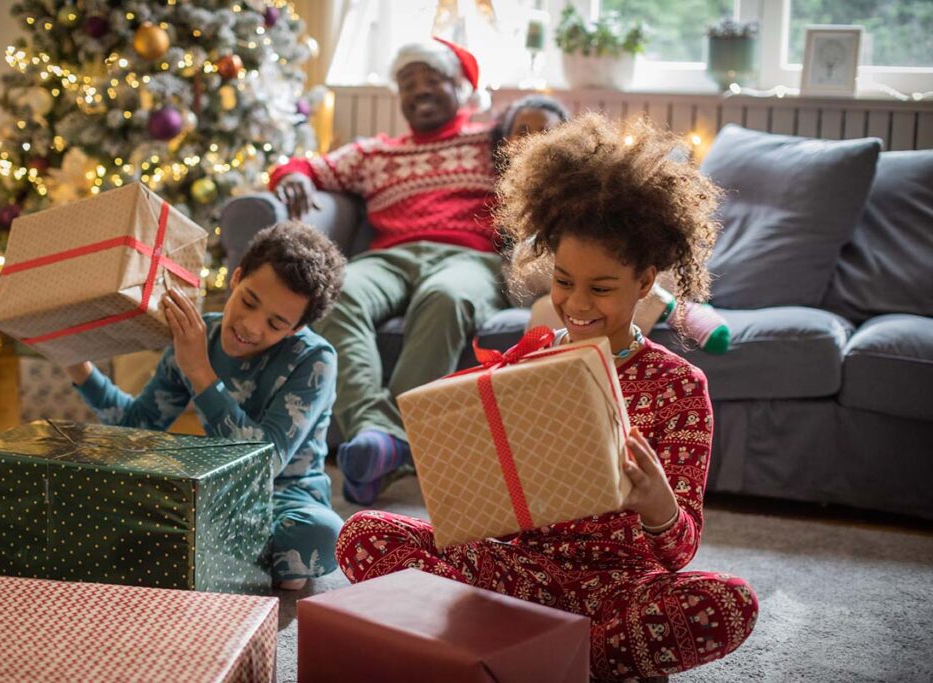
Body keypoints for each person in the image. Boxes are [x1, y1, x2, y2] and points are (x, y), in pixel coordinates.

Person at [335, 114, 758, 681]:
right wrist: (459, 482)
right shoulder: (526, 361)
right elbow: (478, 510)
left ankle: (529, 653)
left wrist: (658, 506)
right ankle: (544, 654)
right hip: (509, 577)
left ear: (645, 280)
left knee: (729, 601)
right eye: (563, 281)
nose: (576, 303)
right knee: (363, 533)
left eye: (601, 287)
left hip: (615, 590)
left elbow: (677, 555)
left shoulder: (679, 387)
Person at [269, 37, 506, 506]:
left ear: (461, 87)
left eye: (431, 80)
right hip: (390, 257)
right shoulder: (373, 152)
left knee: (445, 297)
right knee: (337, 292)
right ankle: (380, 433)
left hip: (467, 257)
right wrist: (290, 176)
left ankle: (383, 444)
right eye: (407, 84)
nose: (418, 91)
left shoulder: (490, 142)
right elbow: (304, 166)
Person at [66, 220, 347, 591]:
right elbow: (139, 425)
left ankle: (200, 552)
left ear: (294, 329)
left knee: (323, 535)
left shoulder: (314, 360)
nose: (250, 326)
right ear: (236, 277)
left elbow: (266, 462)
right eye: (248, 301)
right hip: (213, 498)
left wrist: (199, 371)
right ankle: (230, 557)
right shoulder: (197, 336)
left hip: (286, 499)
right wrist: (77, 365)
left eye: (276, 323)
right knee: (100, 499)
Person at [494, 97, 730, 353]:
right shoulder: (512, 190)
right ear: (506, 138)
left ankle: (667, 303)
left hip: (620, 265)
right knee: (543, 286)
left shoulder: (592, 186)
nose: (534, 137)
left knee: (614, 261)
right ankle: (664, 305)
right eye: (523, 131)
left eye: (545, 130)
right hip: (535, 278)